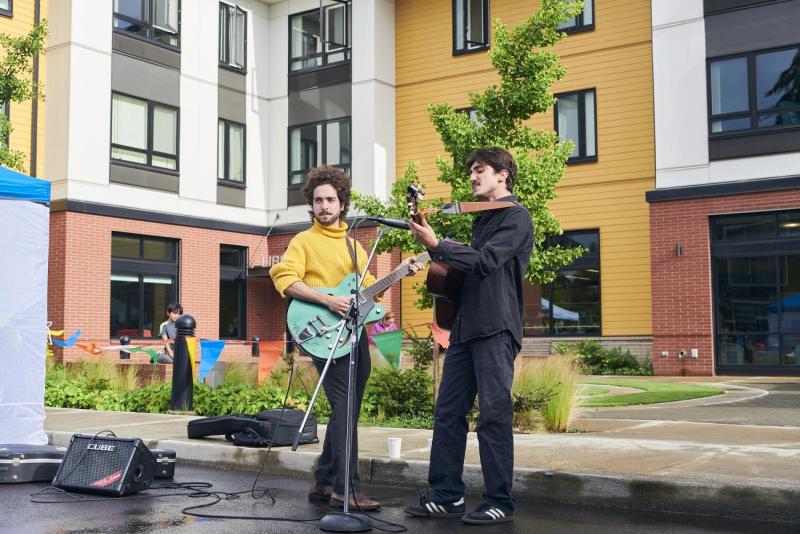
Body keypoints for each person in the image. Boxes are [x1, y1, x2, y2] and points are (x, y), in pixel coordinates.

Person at [270, 166, 420, 511]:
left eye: (330, 199)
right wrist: (327, 300)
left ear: (342, 203)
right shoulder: (303, 242)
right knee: (345, 407)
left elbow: (364, 296)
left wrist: (383, 309)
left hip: (355, 335)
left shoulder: (356, 248)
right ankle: (346, 489)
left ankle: (323, 480)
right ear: (312, 204)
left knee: (347, 409)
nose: (324, 205)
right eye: (318, 200)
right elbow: (284, 278)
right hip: (324, 334)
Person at [405, 147, 533, 525]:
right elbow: (468, 268)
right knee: (448, 413)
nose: (473, 177)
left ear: (502, 175)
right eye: (471, 172)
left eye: (480, 170)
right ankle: (447, 496)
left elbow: (487, 262)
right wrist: (437, 254)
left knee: (494, 415)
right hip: (463, 329)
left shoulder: (516, 216)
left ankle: (499, 502)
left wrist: (438, 246)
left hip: (496, 328)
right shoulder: (481, 220)